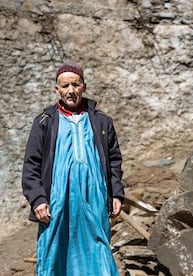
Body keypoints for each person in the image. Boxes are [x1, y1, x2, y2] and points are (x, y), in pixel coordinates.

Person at [22, 60, 124, 275]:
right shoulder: (44, 122)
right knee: (55, 249)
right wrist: (38, 200)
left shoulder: (102, 121)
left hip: (94, 198)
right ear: (57, 89)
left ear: (84, 87)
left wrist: (116, 194)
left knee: (98, 247)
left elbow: (114, 160)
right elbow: (31, 164)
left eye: (75, 85)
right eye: (65, 86)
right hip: (57, 201)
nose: (71, 91)